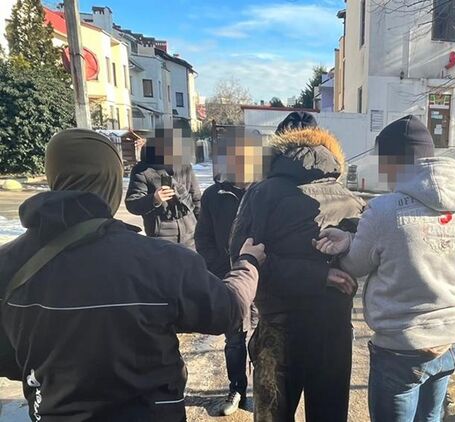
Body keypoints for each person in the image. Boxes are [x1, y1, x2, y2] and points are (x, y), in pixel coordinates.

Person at [0, 128, 266, 421]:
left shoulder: (8, 264)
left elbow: (9, 360)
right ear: (111, 182)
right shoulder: (159, 261)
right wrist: (247, 262)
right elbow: (227, 310)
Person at [315, 115, 455, 422]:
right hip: (450, 342)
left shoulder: (384, 210)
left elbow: (355, 265)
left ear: (393, 161)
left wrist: (347, 244)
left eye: (381, 162)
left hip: (400, 348)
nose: (380, 171)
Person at [229, 111, 365, 422]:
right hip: (333, 329)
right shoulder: (350, 198)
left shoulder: (260, 193)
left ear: (279, 147)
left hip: (279, 329)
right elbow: (371, 257)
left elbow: (244, 259)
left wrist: (317, 275)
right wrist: (323, 274)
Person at [195, 128, 265, 416]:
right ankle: (236, 388)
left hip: (263, 281)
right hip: (230, 281)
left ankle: (262, 390)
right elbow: (203, 239)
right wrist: (224, 271)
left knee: (263, 339)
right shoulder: (214, 195)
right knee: (234, 340)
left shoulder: (267, 192)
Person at [126, 127, 201, 249]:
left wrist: (202, 228)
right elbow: (132, 204)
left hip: (190, 236)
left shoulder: (185, 167)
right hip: (161, 238)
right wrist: (154, 199)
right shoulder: (142, 170)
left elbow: (196, 199)